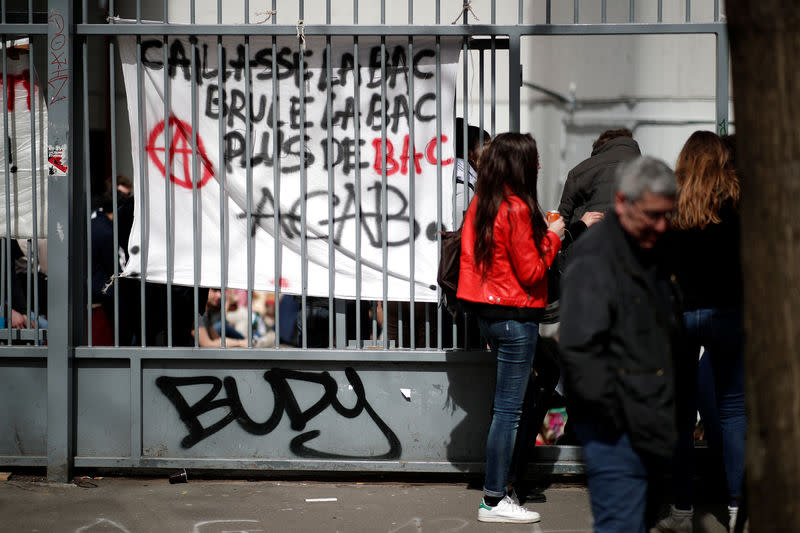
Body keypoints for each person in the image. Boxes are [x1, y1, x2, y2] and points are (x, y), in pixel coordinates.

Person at [559, 156, 684, 533]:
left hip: (653, 421)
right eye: (651, 214)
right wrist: (618, 417)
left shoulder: (654, 249)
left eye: (667, 215)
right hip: (618, 429)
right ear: (620, 203)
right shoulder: (596, 257)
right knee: (621, 525)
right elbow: (580, 351)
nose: (661, 225)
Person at [457, 132, 565, 524]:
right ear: (519, 164)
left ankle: (499, 492)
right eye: (533, 160)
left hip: (488, 314)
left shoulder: (482, 204)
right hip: (516, 317)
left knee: (505, 410)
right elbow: (533, 270)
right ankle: (494, 498)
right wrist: (553, 236)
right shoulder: (517, 208)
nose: (538, 166)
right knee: (509, 412)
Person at [655, 131, 745, 533]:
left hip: (680, 313)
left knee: (680, 415)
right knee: (732, 412)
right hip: (728, 310)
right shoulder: (738, 199)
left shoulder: (671, 202)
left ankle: (681, 512)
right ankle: (737, 509)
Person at [557, 128, 641, 244]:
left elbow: (561, 223)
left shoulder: (581, 170)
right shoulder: (651, 171)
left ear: (600, 148)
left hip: (590, 247)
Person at [453, 118, 490, 228]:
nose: (491, 154)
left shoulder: (468, 183)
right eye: (485, 148)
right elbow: (458, 232)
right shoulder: (464, 189)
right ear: (468, 154)